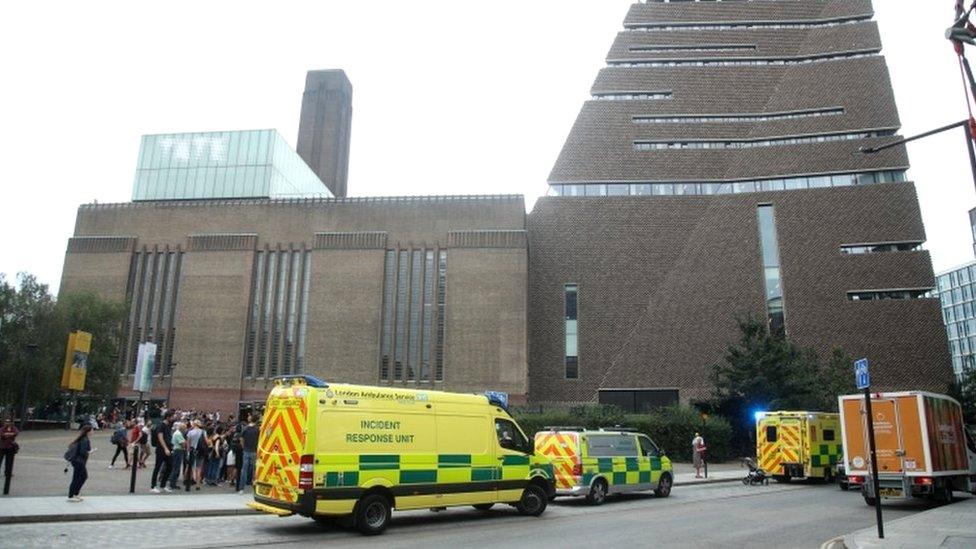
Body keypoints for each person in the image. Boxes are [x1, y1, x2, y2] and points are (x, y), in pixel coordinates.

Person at [67, 425, 93, 501]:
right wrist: (89, 452)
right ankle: (74, 494)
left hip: (76, 461)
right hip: (80, 461)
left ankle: (72, 495)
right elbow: (83, 452)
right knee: (83, 477)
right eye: (92, 430)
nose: (93, 432)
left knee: (76, 477)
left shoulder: (82, 438)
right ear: (88, 432)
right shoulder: (85, 440)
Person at [150, 411, 174, 493]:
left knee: (170, 466)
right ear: (168, 417)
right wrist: (165, 448)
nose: (173, 418)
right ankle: (153, 486)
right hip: (161, 449)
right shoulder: (161, 425)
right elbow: (160, 437)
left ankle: (163, 485)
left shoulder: (168, 425)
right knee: (157, 467)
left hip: (168, 449)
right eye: (172, 416)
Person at [238, 417, 259, 493]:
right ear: (256, 421)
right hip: (254, 451)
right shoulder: (257, 429)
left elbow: (241, 438)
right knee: (254, 470)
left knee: (244, 470)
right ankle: (255, 488)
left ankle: (241, 489)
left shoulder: (245, 428)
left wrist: (243, 447)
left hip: (246, 451)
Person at [186, 420, 206, 490]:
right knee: (199, 468)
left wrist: (188, 453)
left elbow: (188, 443)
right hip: (200, 451)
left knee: (190, 467)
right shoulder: (203, 432)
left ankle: (189, 481)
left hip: (192, 451)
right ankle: (198, 485)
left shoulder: (190, 432)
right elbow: (206, 442)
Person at [168, 421, 188, 490]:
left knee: (175, 467)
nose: (185, 430)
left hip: (175, 450)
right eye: (185, 429)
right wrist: (185, 445)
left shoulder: (176, 433)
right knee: (176, 468)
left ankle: (172, 482)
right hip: (178, 451)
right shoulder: (179, 434)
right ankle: (173, 483)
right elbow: (182, 444)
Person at [0, 419, 19, 484]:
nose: (7, 423)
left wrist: (7, 434)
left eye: (8, 422)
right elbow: (2, 435)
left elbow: (16, 433)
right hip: (2, 447)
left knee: (9, 461)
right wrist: (11, 434)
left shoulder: (14, 428)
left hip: (11, 447)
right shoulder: (2, 428)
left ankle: (8, 473)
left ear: (11, 423)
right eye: (6, 421)